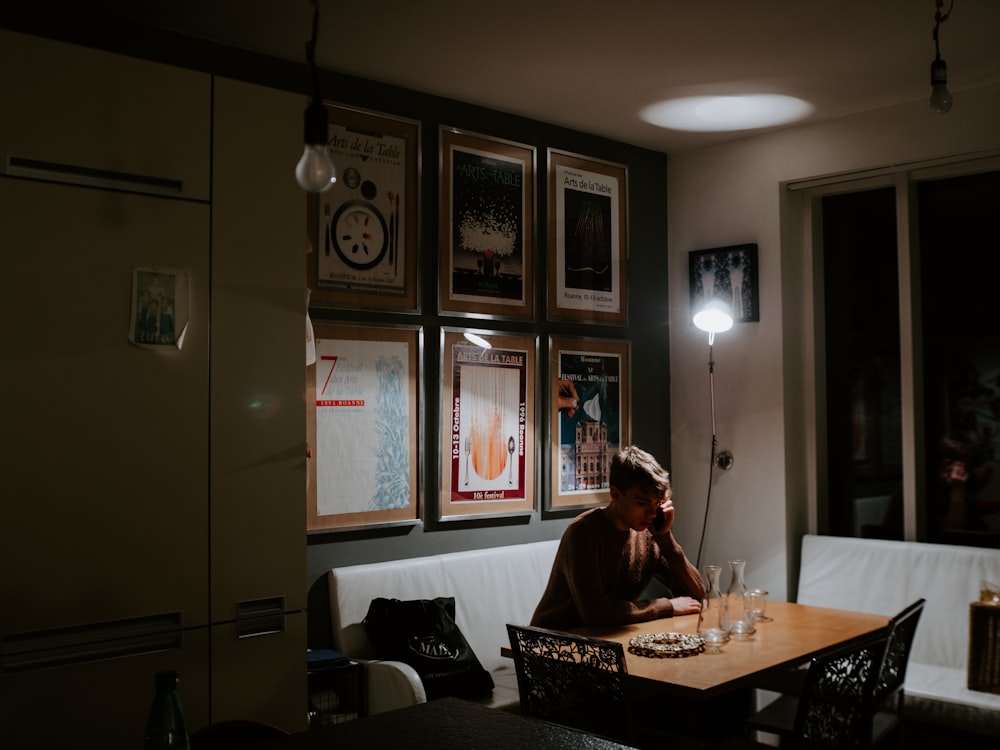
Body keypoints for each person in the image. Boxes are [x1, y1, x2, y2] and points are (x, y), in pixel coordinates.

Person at [531, 445, 705, 630]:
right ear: (615, 494)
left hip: (603, 638)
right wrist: (666, 606)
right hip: (552, 641)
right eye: (642, 503)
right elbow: (596, 613)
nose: (652, 512)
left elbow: (697, 595)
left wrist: (666, 539)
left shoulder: (649, 532)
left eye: (657, 503)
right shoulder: (584, 532)